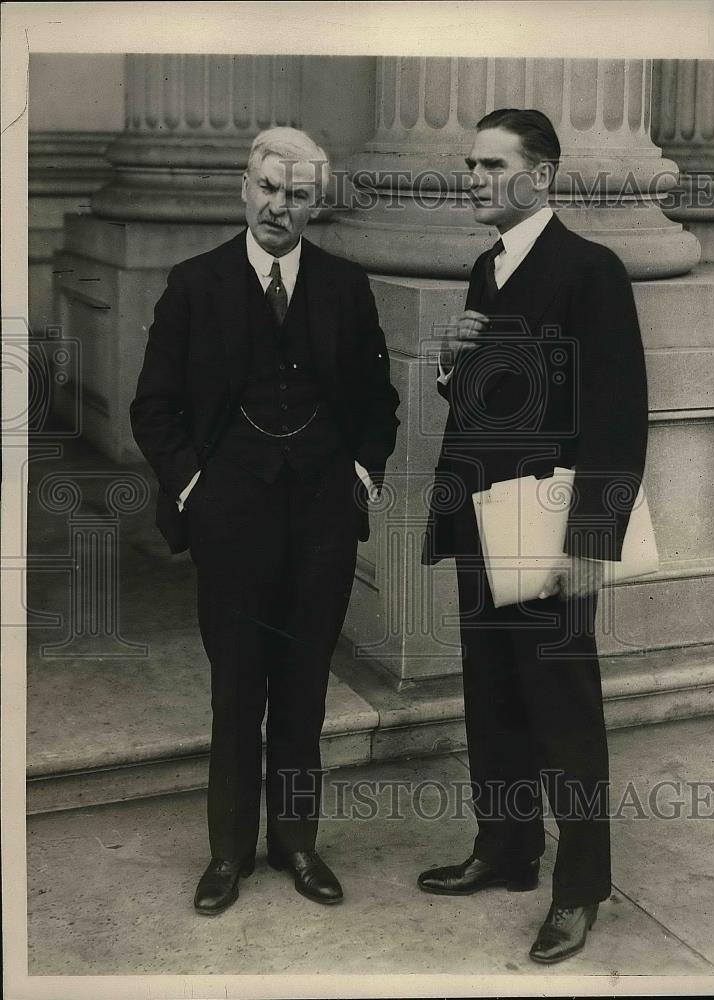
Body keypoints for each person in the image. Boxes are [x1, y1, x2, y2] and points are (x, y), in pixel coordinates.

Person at [130, 127, 399, 915]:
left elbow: (377, 402)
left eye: (297, 195)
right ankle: (228, 853)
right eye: (268, 188)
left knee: (305, 688)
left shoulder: (345, 286)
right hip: (230, 520)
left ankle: (297, 843)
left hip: (320, 520)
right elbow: (154, 407)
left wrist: (359, 474)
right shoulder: (194, 284)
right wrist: (196, 489)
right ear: (244, 188)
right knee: (237, 690)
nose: (279, 206)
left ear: (317, 205)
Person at [419, 109, 648, 963]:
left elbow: (618, 415)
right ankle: (506, 849)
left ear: (541, 175)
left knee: (563, 714)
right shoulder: (487, 268)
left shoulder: (590, 271)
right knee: (492, 695)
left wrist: (590, 541)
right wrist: (452, 362)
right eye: (470, 165)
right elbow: (489, 402)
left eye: (491, 165)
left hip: (547, 530)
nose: (473, 179)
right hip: (481, 520)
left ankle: (579, 888)